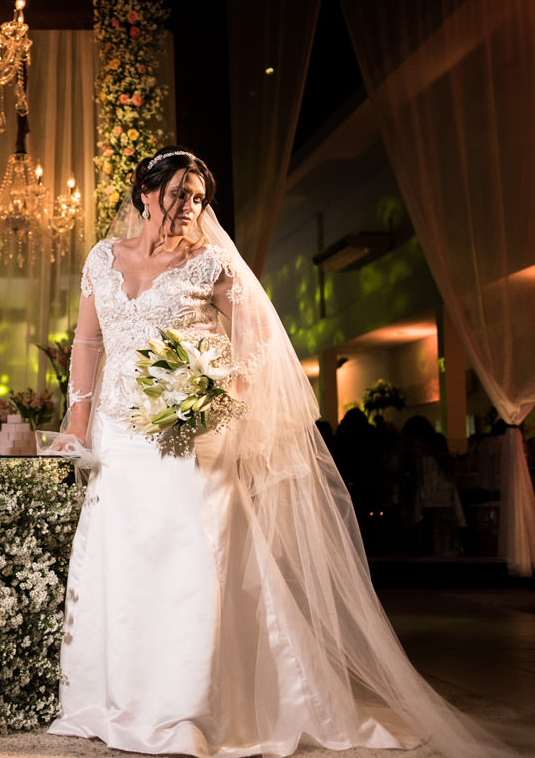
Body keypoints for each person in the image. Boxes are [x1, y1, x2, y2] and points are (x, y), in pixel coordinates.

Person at [40, 147, 513, 758]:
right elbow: (87, 342)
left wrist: (216, 392)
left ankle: (186, 709)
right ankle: (115, 699)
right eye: (180, 194)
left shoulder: (211, 264)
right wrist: (79, 423)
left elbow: (260, 340)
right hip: (118, 434)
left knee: (189, 556)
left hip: (192, 434)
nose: (189, 208)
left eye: (199, 199)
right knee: (120, 556)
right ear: (147, 193)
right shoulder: (103, 259)